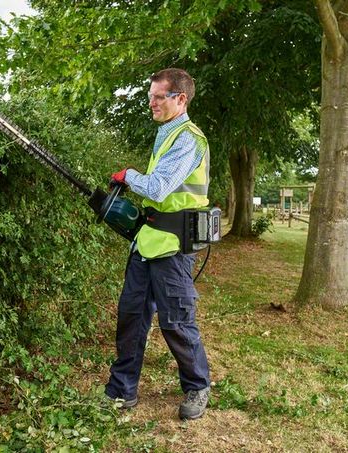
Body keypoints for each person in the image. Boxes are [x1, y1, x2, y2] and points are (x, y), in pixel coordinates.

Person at [105, 68, 211, 420]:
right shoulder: (166, 134)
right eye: (150, 96)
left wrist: (128, 175)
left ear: (180, 99)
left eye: (158, 96)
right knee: (131, 316)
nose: (151, 102)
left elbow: (158, 188)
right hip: (148, 241)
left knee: (176, 321)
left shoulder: (188, 139)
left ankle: (197, 386)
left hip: (174, 246)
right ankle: (122, 390)